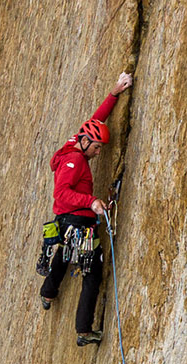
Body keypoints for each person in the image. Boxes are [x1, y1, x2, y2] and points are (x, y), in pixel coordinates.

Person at [40, 71, 133, 345]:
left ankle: (48, 292)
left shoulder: (73, 144)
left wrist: (115, 92)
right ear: (86, 142)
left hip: (68, 222)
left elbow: (96, 120)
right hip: (79, 223)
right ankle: (83, 330)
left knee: (64, 255)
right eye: (97, 147)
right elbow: (62, 193)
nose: (98, 152)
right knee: (92, 273)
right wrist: (91, 201)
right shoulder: (75, 162)